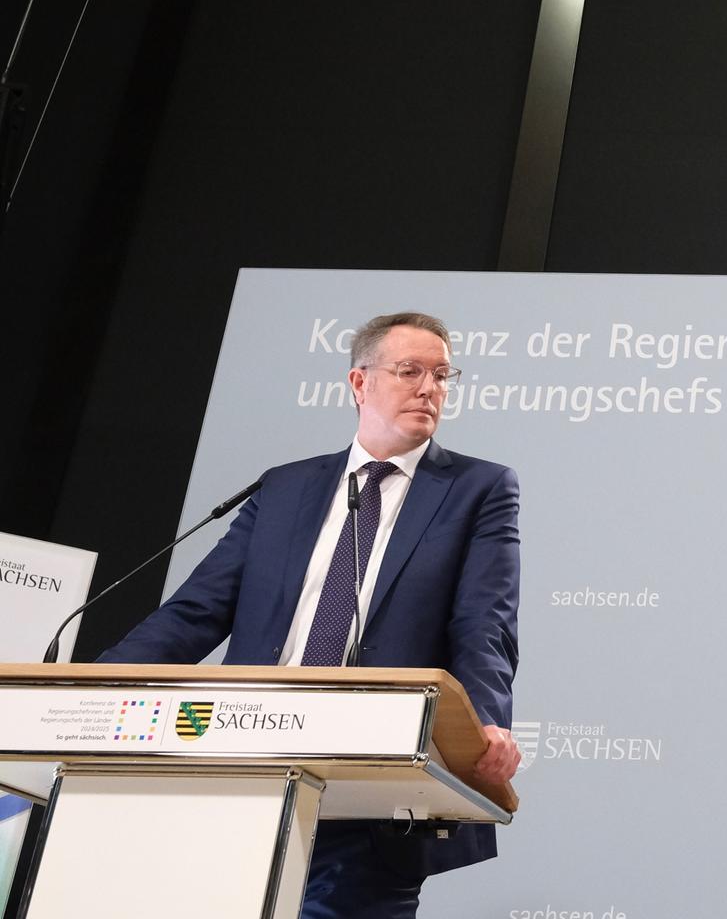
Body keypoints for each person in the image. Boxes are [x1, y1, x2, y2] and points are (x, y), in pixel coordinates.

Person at [97, 311, 521, 919]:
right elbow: (195, 613)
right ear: (359, 382)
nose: (430, 388)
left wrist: (483, 723)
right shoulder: (285, 487)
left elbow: (485, 624)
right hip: (248, 767)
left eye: (442, 375)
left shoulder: (478, 489)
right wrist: (99, 686)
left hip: (373, 790)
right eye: (410, 371)